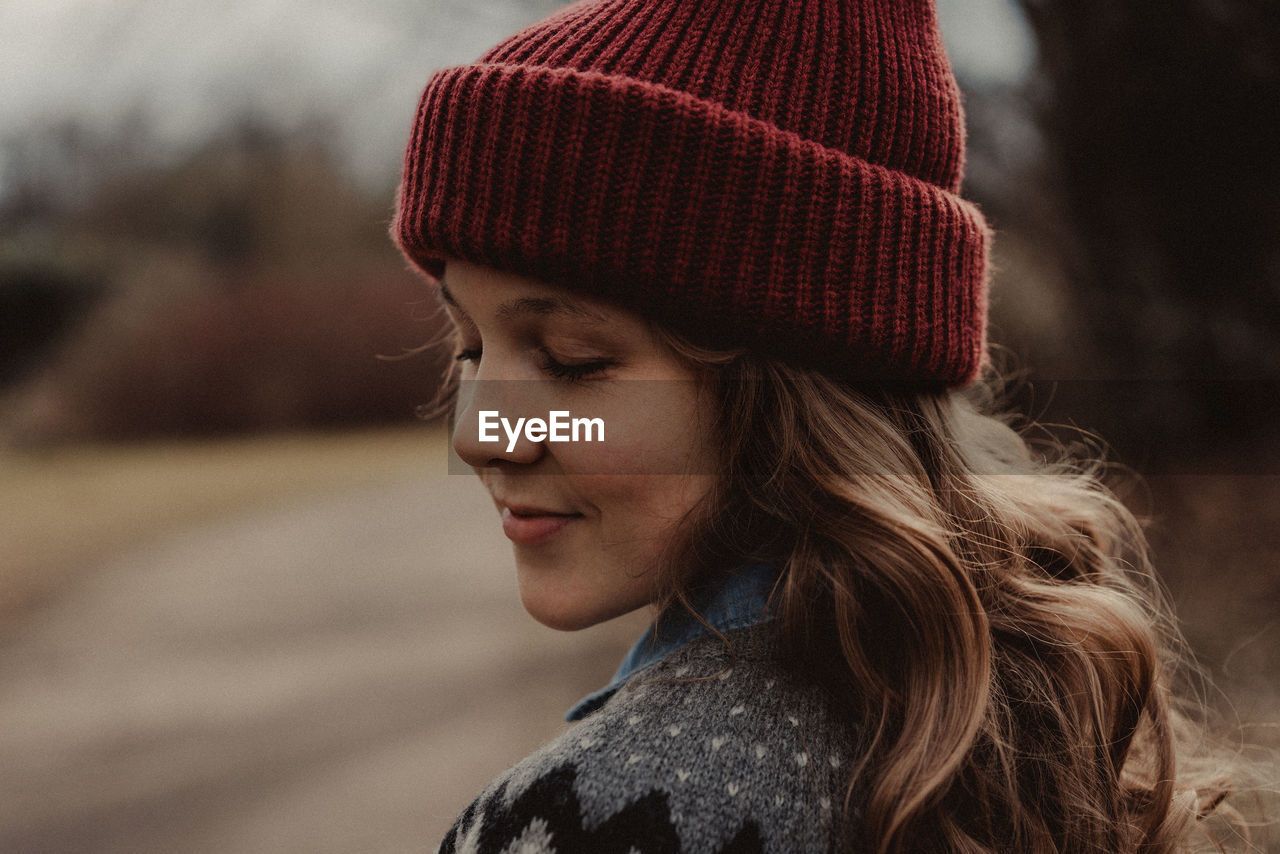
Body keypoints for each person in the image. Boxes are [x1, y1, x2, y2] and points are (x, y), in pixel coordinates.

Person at [392, 1, 1259, 851]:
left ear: (795, 392)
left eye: (573, 360)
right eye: (469, 347)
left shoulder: (593, 817)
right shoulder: (1029, 734)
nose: (478, 436)